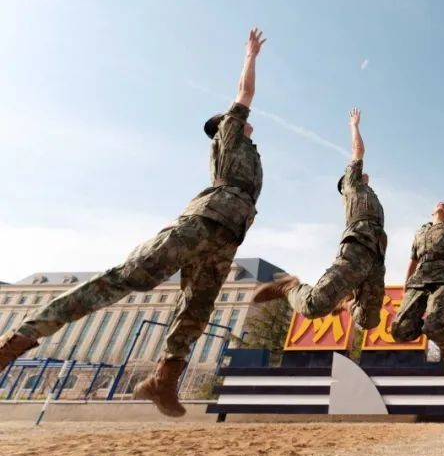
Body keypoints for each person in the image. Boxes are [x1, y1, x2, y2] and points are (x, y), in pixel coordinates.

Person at [0, 28, 267, 417]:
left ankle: (164, 379)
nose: (246, 122)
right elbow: (244, 95)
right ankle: (18, 340)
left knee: (196, 309)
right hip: (203, 222)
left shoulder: (250, 153)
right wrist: (251, 56)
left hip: (228, 237)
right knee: (129, 276)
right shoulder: (228, 134)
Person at [252, 108, 386, 332]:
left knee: (368, 320)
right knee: (313, 306)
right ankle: (290, 287)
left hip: (376, 258)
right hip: (359, 247)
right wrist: (354, 126)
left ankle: (345, 301)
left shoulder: (371, 195)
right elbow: (358, 150)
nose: (364, 174)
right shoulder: (352, 185)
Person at [390, 164, 444, 375]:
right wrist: (406, 284)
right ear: (432, 211)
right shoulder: (421, 232)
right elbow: (413, 259)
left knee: (434, 324)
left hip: (441, 279)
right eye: (440, 203)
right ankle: (431, 327)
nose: (442, 204)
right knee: (399, 330)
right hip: (418, 280)